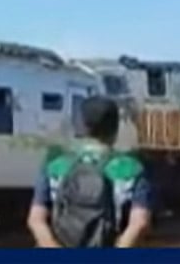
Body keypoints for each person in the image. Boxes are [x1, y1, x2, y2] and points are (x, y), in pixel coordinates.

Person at [27, 96, 152, 248]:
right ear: (115, 129)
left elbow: (36, 220)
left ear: (82, 126)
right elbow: (139, 223)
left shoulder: (54, 161)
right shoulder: (132, 168)